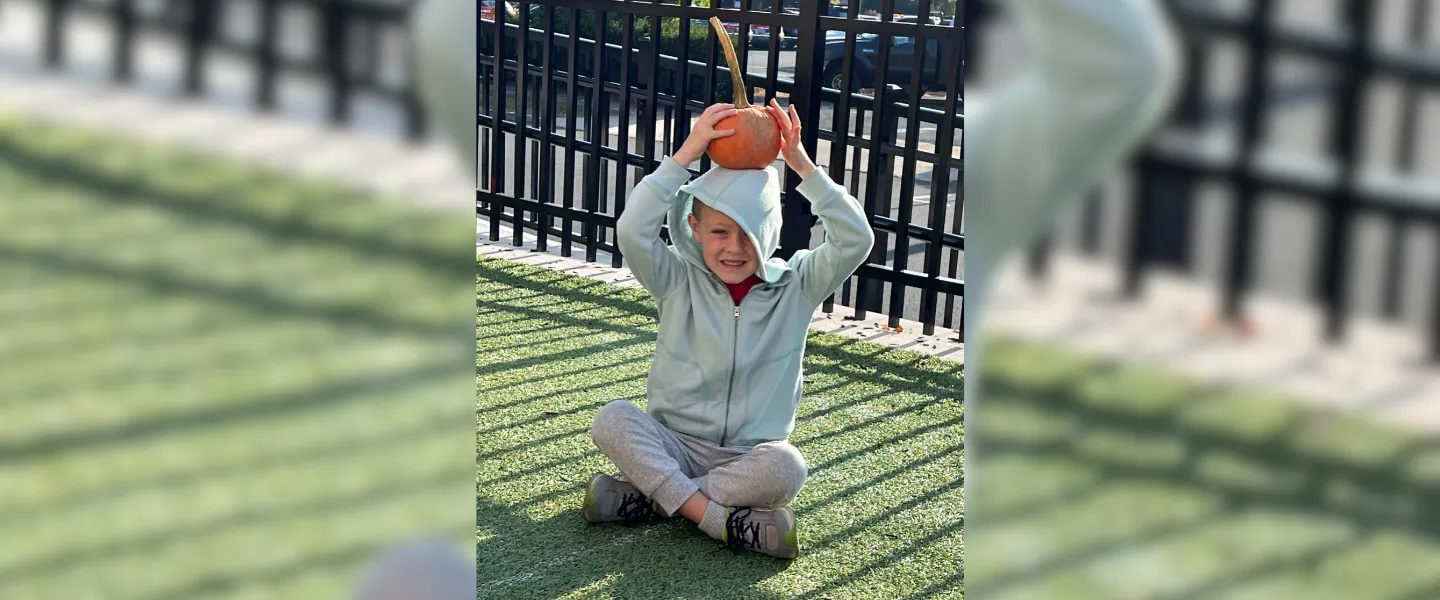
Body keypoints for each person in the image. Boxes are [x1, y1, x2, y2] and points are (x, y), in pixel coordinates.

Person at [582, 99, 876, 559]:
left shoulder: (798, 285)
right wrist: (686, 154)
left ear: (771, 231)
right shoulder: (676, 279)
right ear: (694, 228)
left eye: (750, 234)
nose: (735, 249)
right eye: (720, 232)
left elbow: (856, 238)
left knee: (787, 468)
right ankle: (714, 517)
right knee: (613, 418)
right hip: (673, 442)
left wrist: (800, 164)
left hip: (748, 456)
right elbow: (632, 231)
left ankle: (650, 498)